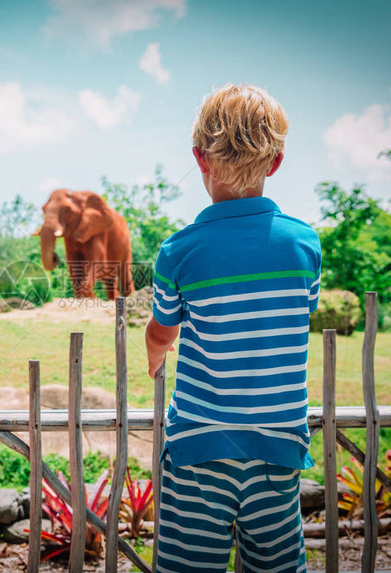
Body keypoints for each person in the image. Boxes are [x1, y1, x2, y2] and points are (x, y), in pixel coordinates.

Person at [145, 84, 321, 572]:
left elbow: (162, 330)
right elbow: (298, 311)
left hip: (200, 444)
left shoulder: (179, 250)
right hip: (277, 445)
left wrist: (154, 355)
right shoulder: (305, 245)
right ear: (276, 161)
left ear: (199, 158)